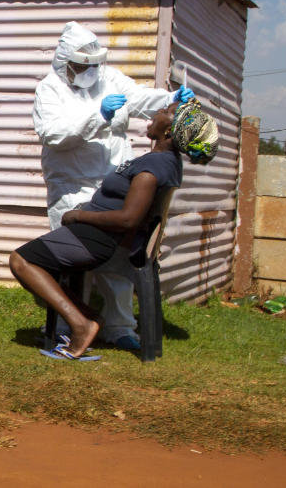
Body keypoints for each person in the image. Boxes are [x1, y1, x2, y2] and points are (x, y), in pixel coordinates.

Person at [10, 99, 219, 359]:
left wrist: (79, 216)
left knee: (20, 261)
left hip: (98, 239)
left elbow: (128, 219)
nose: (157, 113)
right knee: (34, 260)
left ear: (169, 132)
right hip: (99, 235)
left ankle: (81, 324)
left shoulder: (153, 167)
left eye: (165, 112)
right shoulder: (164, 162)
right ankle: (86, 317)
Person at [32, 21, 193, 350]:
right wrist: (97, 115)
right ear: (65, 64)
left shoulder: (110, 78)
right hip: (73, 183)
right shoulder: (50, 89)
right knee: (72, 258)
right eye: (82, 66)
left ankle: (120, 327)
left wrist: (171, 97)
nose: (90, 72)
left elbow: (140, 100)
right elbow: (53, 134)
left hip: (115, 182)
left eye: (94, 65)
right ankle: (69, 324)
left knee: (119, 259)